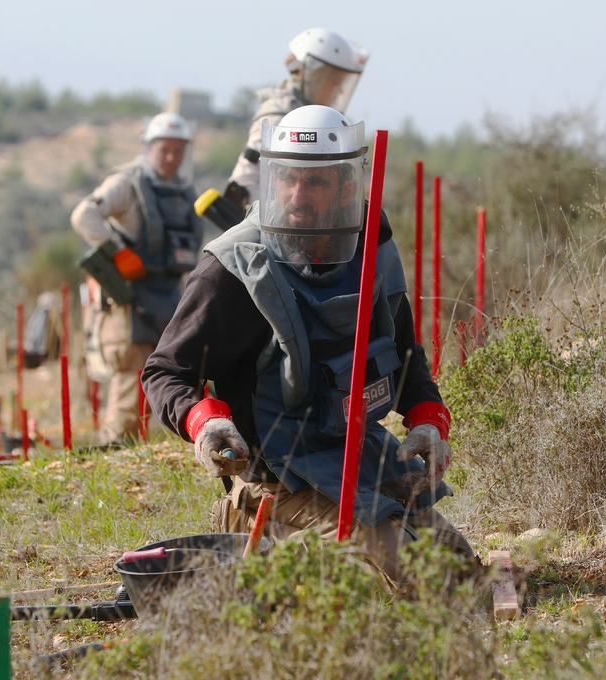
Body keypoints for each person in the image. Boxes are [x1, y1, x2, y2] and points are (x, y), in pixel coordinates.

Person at [143, 105, 472, 584]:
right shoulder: (234, 269)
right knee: (408, 581)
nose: (298, 195)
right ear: (270, 177)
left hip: (358, 456)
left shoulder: (373, 250)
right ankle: (248, 518)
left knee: (457, 570)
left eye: (315, 182)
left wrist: (427, 420)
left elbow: (402, 356)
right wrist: (204, 421)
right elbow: (164, 371)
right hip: (277, 477)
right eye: (287, 179)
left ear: (345, 186)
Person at [72, 113, 204, 445]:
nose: (172, 158)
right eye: (165, 149)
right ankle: (118, 453)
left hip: (170, 298)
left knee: (174, 374)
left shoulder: (184, 193)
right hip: (128, 302)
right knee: (132, 378)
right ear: (149, 148)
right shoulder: (127, 183)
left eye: (178, 150)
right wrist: (117, 252)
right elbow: (83, 215)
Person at [226, 28, 369, 209]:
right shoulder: (280, 116)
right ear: (314, 77)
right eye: (334, 81)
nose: (339, 90)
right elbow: (244, 181)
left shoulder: (306, 115)